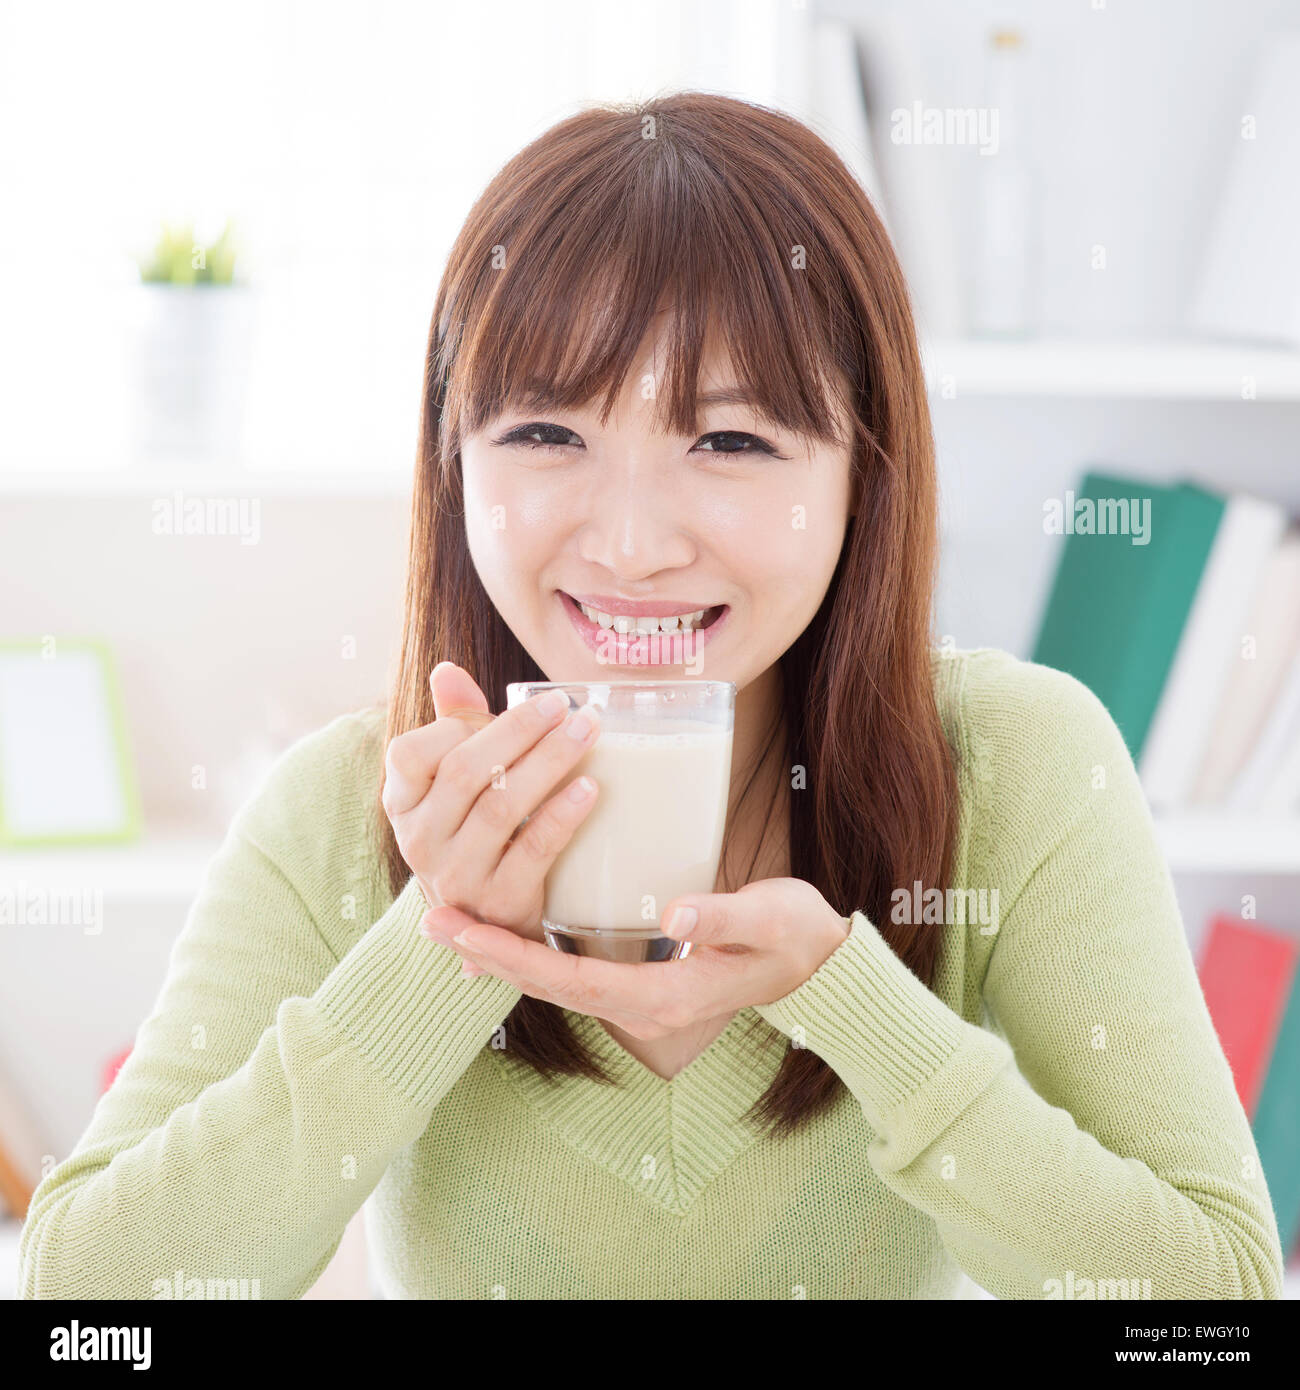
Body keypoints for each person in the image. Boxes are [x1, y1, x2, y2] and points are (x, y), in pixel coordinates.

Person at [19, 92, 1283, 1300]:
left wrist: (850, 1002)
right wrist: (439, 952)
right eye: (547, 436)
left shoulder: (1014, 764)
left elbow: (1211, 1305)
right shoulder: (345, 810)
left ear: (866, 477)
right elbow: (88, 1303)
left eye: (729, 443)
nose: (628, 547)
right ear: (452, 463)